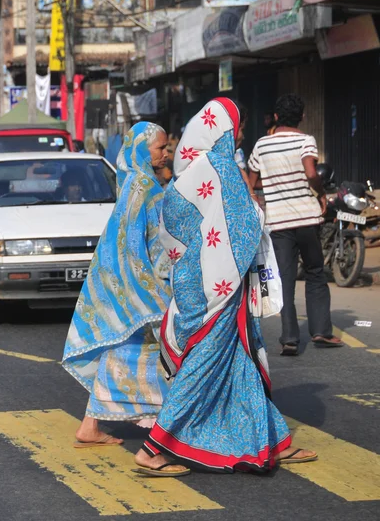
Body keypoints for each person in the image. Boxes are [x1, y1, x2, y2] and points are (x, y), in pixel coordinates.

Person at [134, 97, 317, 477]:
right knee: (204, 364)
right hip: (220, 287)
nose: (241, 136)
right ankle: (154, 448)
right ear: (224, 129)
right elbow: (246, 221)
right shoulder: (221, 169)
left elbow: (180, 228)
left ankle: (273, 441)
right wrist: (257, 209)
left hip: (195, 281)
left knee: (241, 361)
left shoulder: (190, 171)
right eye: (239, 129)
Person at [62, 122, 172, 447]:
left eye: (166, 147)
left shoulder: (137, 181)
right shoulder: (142, 186)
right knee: (141, 350)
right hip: (138, 283)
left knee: (123, 348)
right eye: (160, 149)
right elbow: (133, 242)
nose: (166, 153)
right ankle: (169, 425)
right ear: (141, 150)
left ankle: (92, 426)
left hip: (128, 282)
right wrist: (151, 286)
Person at [248, 94, 343, 356]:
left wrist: (265, 188)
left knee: (286, 279)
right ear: (301, 116)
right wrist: (321, 193)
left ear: (276, 117)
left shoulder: (261, 145)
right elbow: (312, 173)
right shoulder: (305, 140)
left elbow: (252, 179)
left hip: (278, 222)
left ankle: (289, 338)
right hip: (306, 219)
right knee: (314, 272)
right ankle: (321, 331)